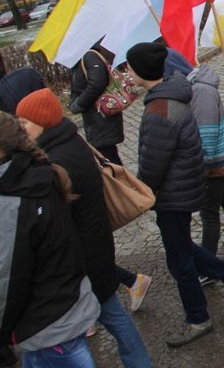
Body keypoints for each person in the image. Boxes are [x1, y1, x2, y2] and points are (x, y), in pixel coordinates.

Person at [126, 42, 224, 347]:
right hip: (180, 189)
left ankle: (198, 318)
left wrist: (142, 192)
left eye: (129, 67)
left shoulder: (160, 109)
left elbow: (154, 163)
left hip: (172, 194)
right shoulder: (171, 95)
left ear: (142, 71)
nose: (127, 73)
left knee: (179, 261)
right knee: (183, 246)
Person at [15, 89, 152, 368]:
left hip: (83, 256)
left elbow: (53, 216)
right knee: (111, 313)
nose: (21, 129)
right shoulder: (68, 141)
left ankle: (139, 363)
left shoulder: (57, 161)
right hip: (93, 247)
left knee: (106, 318)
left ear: (43, 122)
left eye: (25, 123)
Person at [0, 110, 100, 367]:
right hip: (62, 303)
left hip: (45, 321)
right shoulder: (39, 171)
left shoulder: (9, 199)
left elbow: (4, 277)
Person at [68, 46, 151, 311]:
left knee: (109, 167)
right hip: (101, 121)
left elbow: (97, 82)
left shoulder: (88, 56)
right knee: (109, 163)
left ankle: (123, 196)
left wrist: (78, 103)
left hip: (101, 120)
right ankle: (123, 193)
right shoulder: (85, 56)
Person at [163, 50, 224, 270]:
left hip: (211, 162)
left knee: (208, 212)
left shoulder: (200, 90)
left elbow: (206, 133)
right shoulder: (192, 88)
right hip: (214, 159)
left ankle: (207, 266)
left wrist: (198, 169)